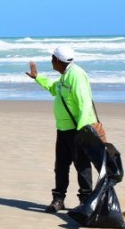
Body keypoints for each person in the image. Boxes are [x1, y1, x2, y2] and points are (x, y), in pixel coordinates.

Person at [26, 46, 96, 213]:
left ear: (57, 60)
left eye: (52, 58)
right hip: (63, 130)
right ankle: (59, 199)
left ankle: (86, 201)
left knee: (82, 166)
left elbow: (85, 103)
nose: (51, 61)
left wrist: (82, 130)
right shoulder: (65, 76)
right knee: (61, 166)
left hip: (77, 130)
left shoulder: (76, 75)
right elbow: (53, 88)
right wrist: (37, 77)